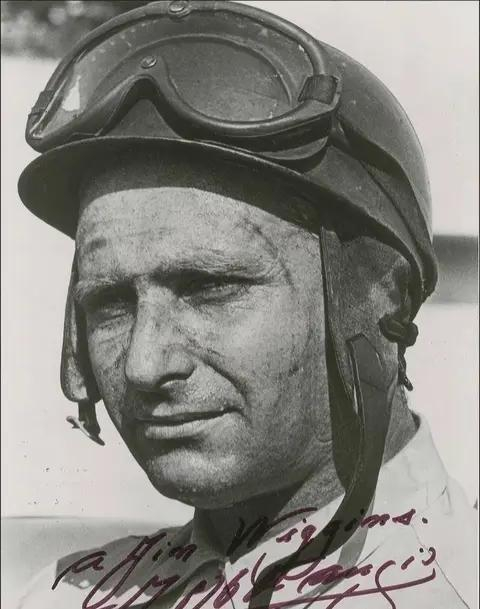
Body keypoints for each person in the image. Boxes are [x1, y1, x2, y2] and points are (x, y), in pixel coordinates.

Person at [16, 1, 476, 608]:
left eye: (209, 288)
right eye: (110, 303)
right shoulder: (60, 595)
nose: (143, 365)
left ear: (376, 300)